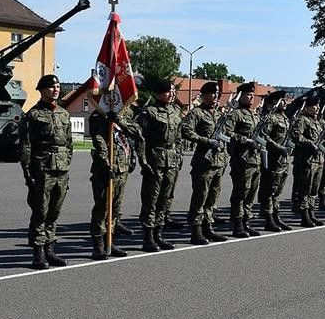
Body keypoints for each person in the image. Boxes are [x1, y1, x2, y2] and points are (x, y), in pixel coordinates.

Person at [19, 74, 73, 269]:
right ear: (41, 90)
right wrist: (28, 173)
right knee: (40, 211)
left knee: (54, 211)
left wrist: (66, 162)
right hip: (42, 169)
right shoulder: (33, 115)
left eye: (58, 86)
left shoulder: (63, 113)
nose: (56, 89)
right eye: (51, 87)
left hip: (61, 169)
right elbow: (26, 147)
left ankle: (50, 249)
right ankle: (38, 252)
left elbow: (68, 143)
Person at [88, 104, 142, 259]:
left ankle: (109, 242)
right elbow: (99, 140)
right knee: (102, 207)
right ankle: (98, 246)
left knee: (115, 208)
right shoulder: (98, 115)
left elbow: (136, 133)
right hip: (105, 169)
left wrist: (120, 120)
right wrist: (106, 162)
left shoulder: (126, 113)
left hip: (122, 168)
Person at [136, 76, 183, 251]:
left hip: (171, 161)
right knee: (151, 200)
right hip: (155, 160)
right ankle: (148, 238)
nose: (172, 94)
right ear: (158, 94)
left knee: (165, 199)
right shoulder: (150, 112)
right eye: (168, 91)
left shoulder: (175, 111)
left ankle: (159, 235)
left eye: (173, 91)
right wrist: (143, 160)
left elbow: (178, 138)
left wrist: (178, 156)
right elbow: (141, 139)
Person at [180, 81, 229, 246]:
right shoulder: (197, 113)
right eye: (212, 93)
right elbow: (185, 131)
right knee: (200, 197)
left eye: (217, 94)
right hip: (204, 162)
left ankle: (208, 227)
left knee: (212, 198)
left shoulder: (219, 115)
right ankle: (196, 231)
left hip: (218, 163)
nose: (216, 97)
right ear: (204, 95)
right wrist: (206, 141)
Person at [226, 82, 262, 238]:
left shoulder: (254, 114)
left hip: (255, 159)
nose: (252, 97)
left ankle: (247, 221)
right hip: (242, 159)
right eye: (248, 95)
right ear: (240, 96)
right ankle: (238, 223)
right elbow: (227, 132)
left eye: (253, 95)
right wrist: (245, 140)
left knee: (251, 193)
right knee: (241, 192)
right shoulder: (236, 114)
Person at [256, 90, 292, 231]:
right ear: (273, 103)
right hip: (272, 158)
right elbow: (264, 136)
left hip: (283, 160)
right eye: (281, 100)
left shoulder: (285, 118)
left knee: (277, 191)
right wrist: (279, 148)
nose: (284, 102)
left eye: (285, 100)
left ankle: (276, 215)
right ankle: (268, 217)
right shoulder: (270, 118)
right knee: (269, 190)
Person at [289, 94, 325, 227]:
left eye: (318, 105)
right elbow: (296, 136)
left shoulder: (317, 122)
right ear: (308, 107)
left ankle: (311, 213)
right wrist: (309, 143)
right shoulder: (302, 120)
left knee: (314, 190)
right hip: (307, 160)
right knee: (305, 189)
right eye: (315, 106)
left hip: (318, 160)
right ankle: (304, 216)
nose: (317, 108)